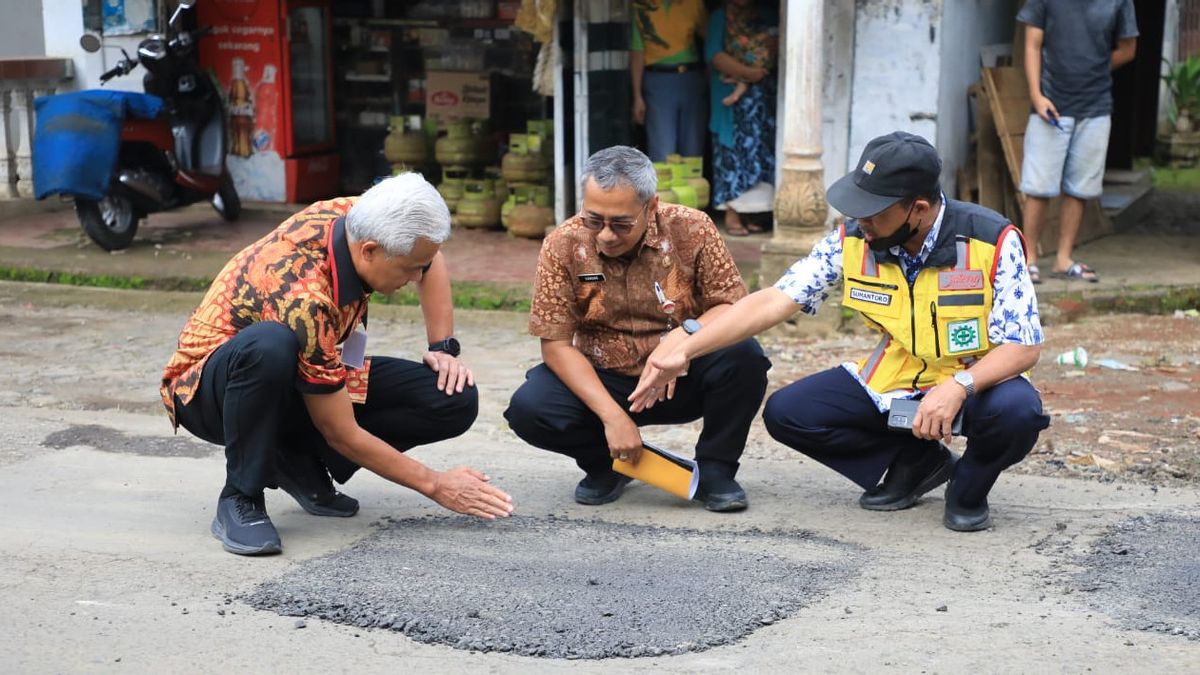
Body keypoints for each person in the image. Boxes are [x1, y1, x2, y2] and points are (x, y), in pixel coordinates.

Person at [633, 132, 1051, 531]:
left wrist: (959, 386)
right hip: (900, 380)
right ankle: (917, 464)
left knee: (1018, 414)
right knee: (790, 414)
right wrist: (687, 348)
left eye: (874, 212)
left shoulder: (990, 239)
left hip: (979, 382)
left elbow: (1023, 345)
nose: (860, 221)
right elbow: (776, 299)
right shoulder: (852, 239)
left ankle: (970, 486)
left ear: (918, 209)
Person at [161, 174, 513, 556]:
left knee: (452, 396)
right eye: (410, 269)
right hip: (208, 391)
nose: (416, 279)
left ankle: (296, 460)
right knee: (271, 345)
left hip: (301, 370)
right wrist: (435, 484)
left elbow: (430, 255)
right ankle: (240, 496)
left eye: (420, 268)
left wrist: (443, 347)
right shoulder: (304, 297)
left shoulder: (361, 216)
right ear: (370, 252)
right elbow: (339, 430)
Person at [504, 146, 770, 512]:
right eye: (594, 220)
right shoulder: (562, 243)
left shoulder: (693, 228)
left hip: (682, 376)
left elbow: (732, 306)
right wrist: (613, 418)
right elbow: (556, 345)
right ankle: (607, 465)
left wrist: (685, 338)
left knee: (745, 356)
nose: (606, 235)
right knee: (529, 408)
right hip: (605, 380)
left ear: (652, 206)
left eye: (621, 223)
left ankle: (716, 470)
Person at [1018, 0, 1138, 284]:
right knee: (1038, 187)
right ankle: (1028, 260)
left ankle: (1063, 259)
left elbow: (1128, 49)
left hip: (1095, 108)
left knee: (1080, 188)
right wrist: (1036, 95)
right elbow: (1032, 45)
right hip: (1050, 106)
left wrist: (1093, 68)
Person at [706, 0, 779, 237]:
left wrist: (759, 72)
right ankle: (732, 213)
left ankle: (753, 213)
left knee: (758, 153)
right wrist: (749, 74)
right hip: (731, 97)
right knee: (731, 153)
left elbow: (774, 45)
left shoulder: (765, 13)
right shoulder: (720, 17)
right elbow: (714, 55)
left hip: (760, 99)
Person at [630, 0, 709, 162]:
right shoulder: (641, 7)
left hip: (691, 79)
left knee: (693, 149)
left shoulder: (693, 4)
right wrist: (637, 96)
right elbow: (637, 53)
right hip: (657, 81)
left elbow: (711, 40)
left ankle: (691, 187)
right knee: (662, 150)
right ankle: (664, 188)